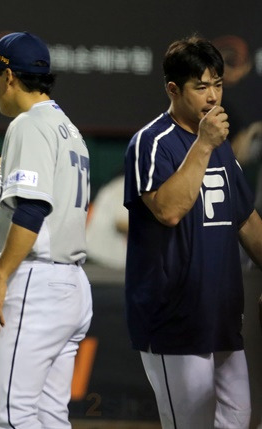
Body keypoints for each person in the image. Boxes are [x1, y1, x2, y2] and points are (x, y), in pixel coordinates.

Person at [123, 35, 262, 429]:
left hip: (221, 313)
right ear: (173, 89)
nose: (213, 96)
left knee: (238, 418)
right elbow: (168, 211)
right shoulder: (151, 143)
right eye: (201, 86)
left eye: (217, 84)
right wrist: (203, 144)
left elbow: (246, 221)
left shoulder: (217, 145)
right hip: (174, 319)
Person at [0, 32, 93, 428]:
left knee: (12, 419)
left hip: (35, 283)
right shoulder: (65, 126)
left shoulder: (28, 124)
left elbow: (32, 209)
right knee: (50, 418)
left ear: (9, 77)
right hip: (71, 287)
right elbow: (42, 192)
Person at [85, 173, 128, 269]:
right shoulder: (123, 184)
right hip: (101, 257)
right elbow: (121, 223)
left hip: (102, 256)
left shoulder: (121, 183)